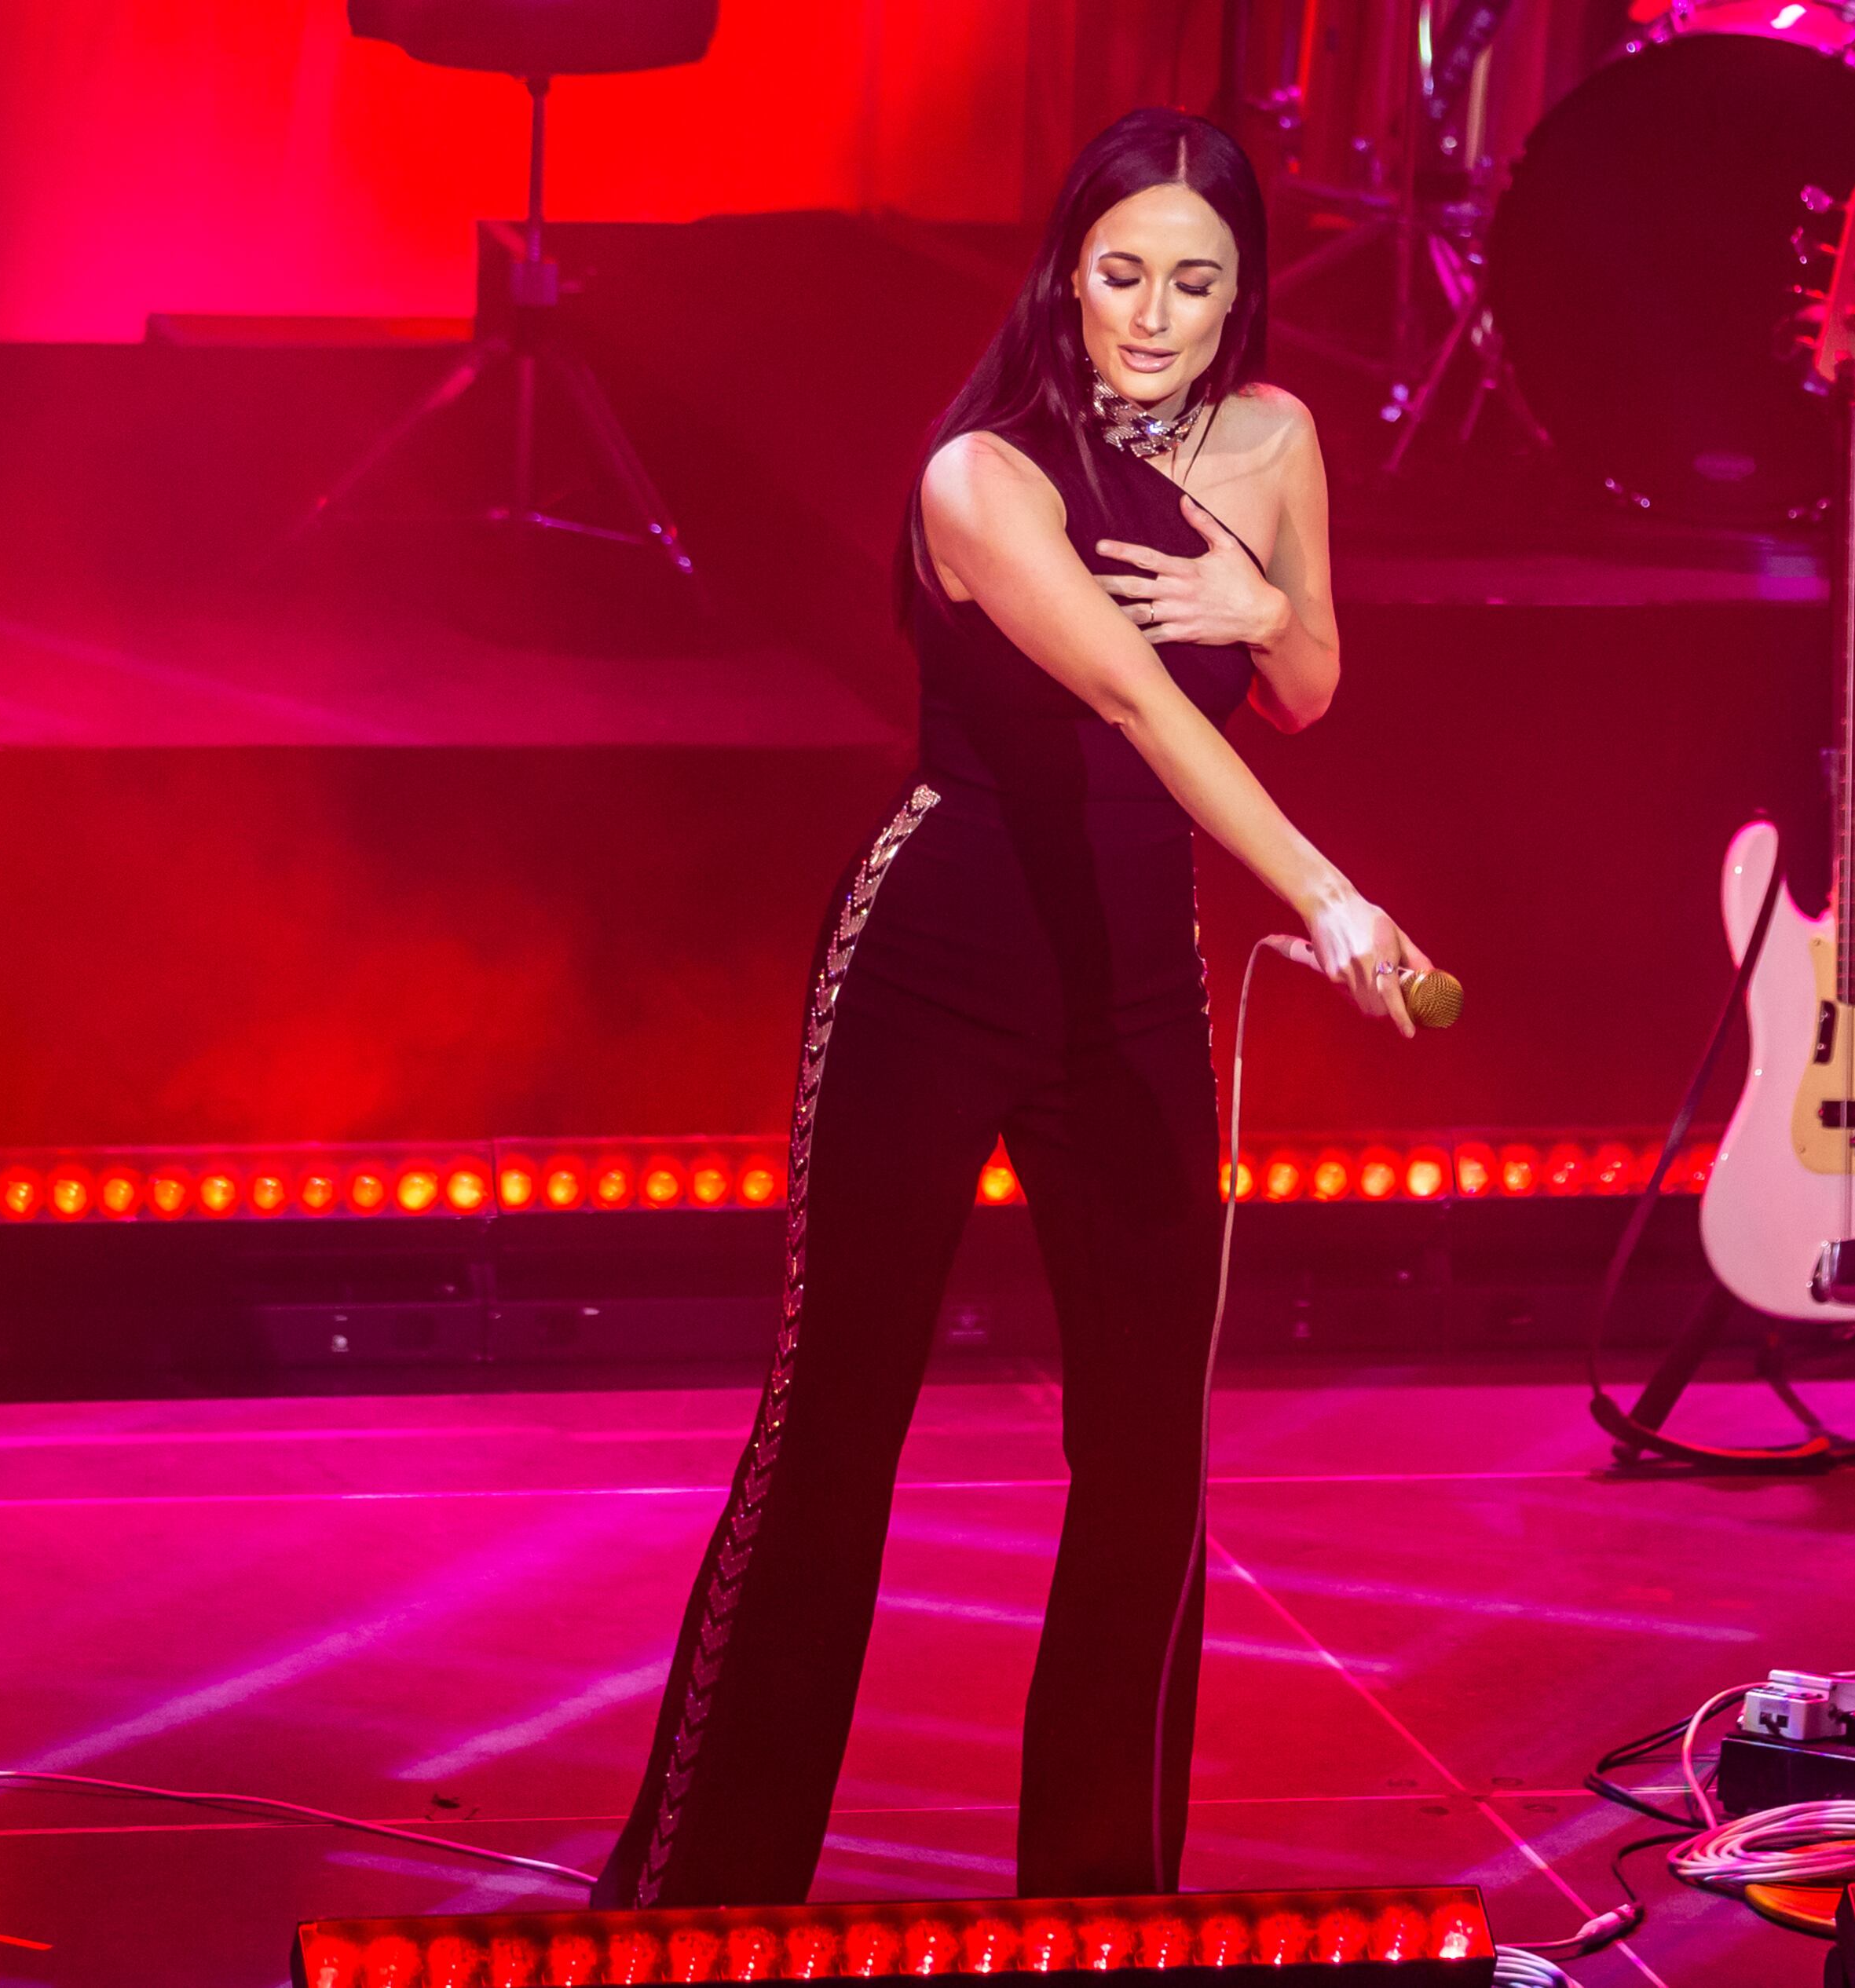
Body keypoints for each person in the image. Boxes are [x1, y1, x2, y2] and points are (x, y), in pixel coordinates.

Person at [590, 109, 1432, 1908]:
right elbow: (1136, 702)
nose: (1152, 314)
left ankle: (1105, 1908)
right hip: (938, 956)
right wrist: (1333, 900)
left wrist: (1264, 596)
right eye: (1122, 274)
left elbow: (1308, 686)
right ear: (1066, 271)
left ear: (1239, 297)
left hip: (1134, 976)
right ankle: (697, 1900)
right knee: (838, 1431)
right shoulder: (986, 473)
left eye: (1194, 285)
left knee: (1150, 1453)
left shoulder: (1274, 437)